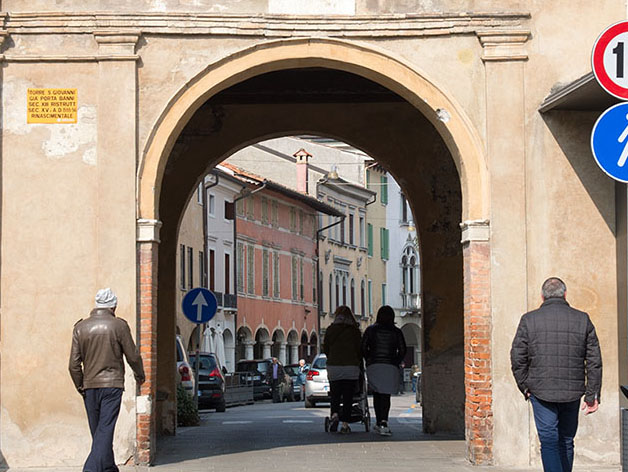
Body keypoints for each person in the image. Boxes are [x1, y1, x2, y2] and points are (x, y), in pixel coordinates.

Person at [510, 277, 602, 472]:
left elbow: (518, 357)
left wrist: (524, 386)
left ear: (542, 296)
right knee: (566, 440)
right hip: (572, 392)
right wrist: (592, 394)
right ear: (565, 294)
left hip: (540, 391)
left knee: (549, 441)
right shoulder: (582, 319)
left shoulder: (529, 320)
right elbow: (594, 360)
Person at [69, 288, 145, 472]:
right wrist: (140, 375)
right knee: (104, 431)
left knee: (99, 432)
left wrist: (80, 385)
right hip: (112, 385)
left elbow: (73, 365)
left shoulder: (80, 328)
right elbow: (133, 356)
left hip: (89, 386)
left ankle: (109, 468)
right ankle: (91, 469)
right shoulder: (119, 326)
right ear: (114, 306)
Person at [362, 305, 406, 436]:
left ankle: (378, 421)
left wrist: (369, 359)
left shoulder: (370, 330)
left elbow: (363, 347)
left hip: (374, 365)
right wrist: (396, 361)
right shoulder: (396, 332)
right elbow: (403, 349)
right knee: (386, 395)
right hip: (390, 365)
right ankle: (384, 421)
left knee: (377, 393)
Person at [322, 306, 362, 434]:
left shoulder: (331, 329)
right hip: (351, 366)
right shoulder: (354, 331)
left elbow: (326, 348)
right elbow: (359, 349)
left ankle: (334, 415)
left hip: (334, 366)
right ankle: (345, 424)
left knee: (335, 394)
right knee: (348, 397)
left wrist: (332, 357)